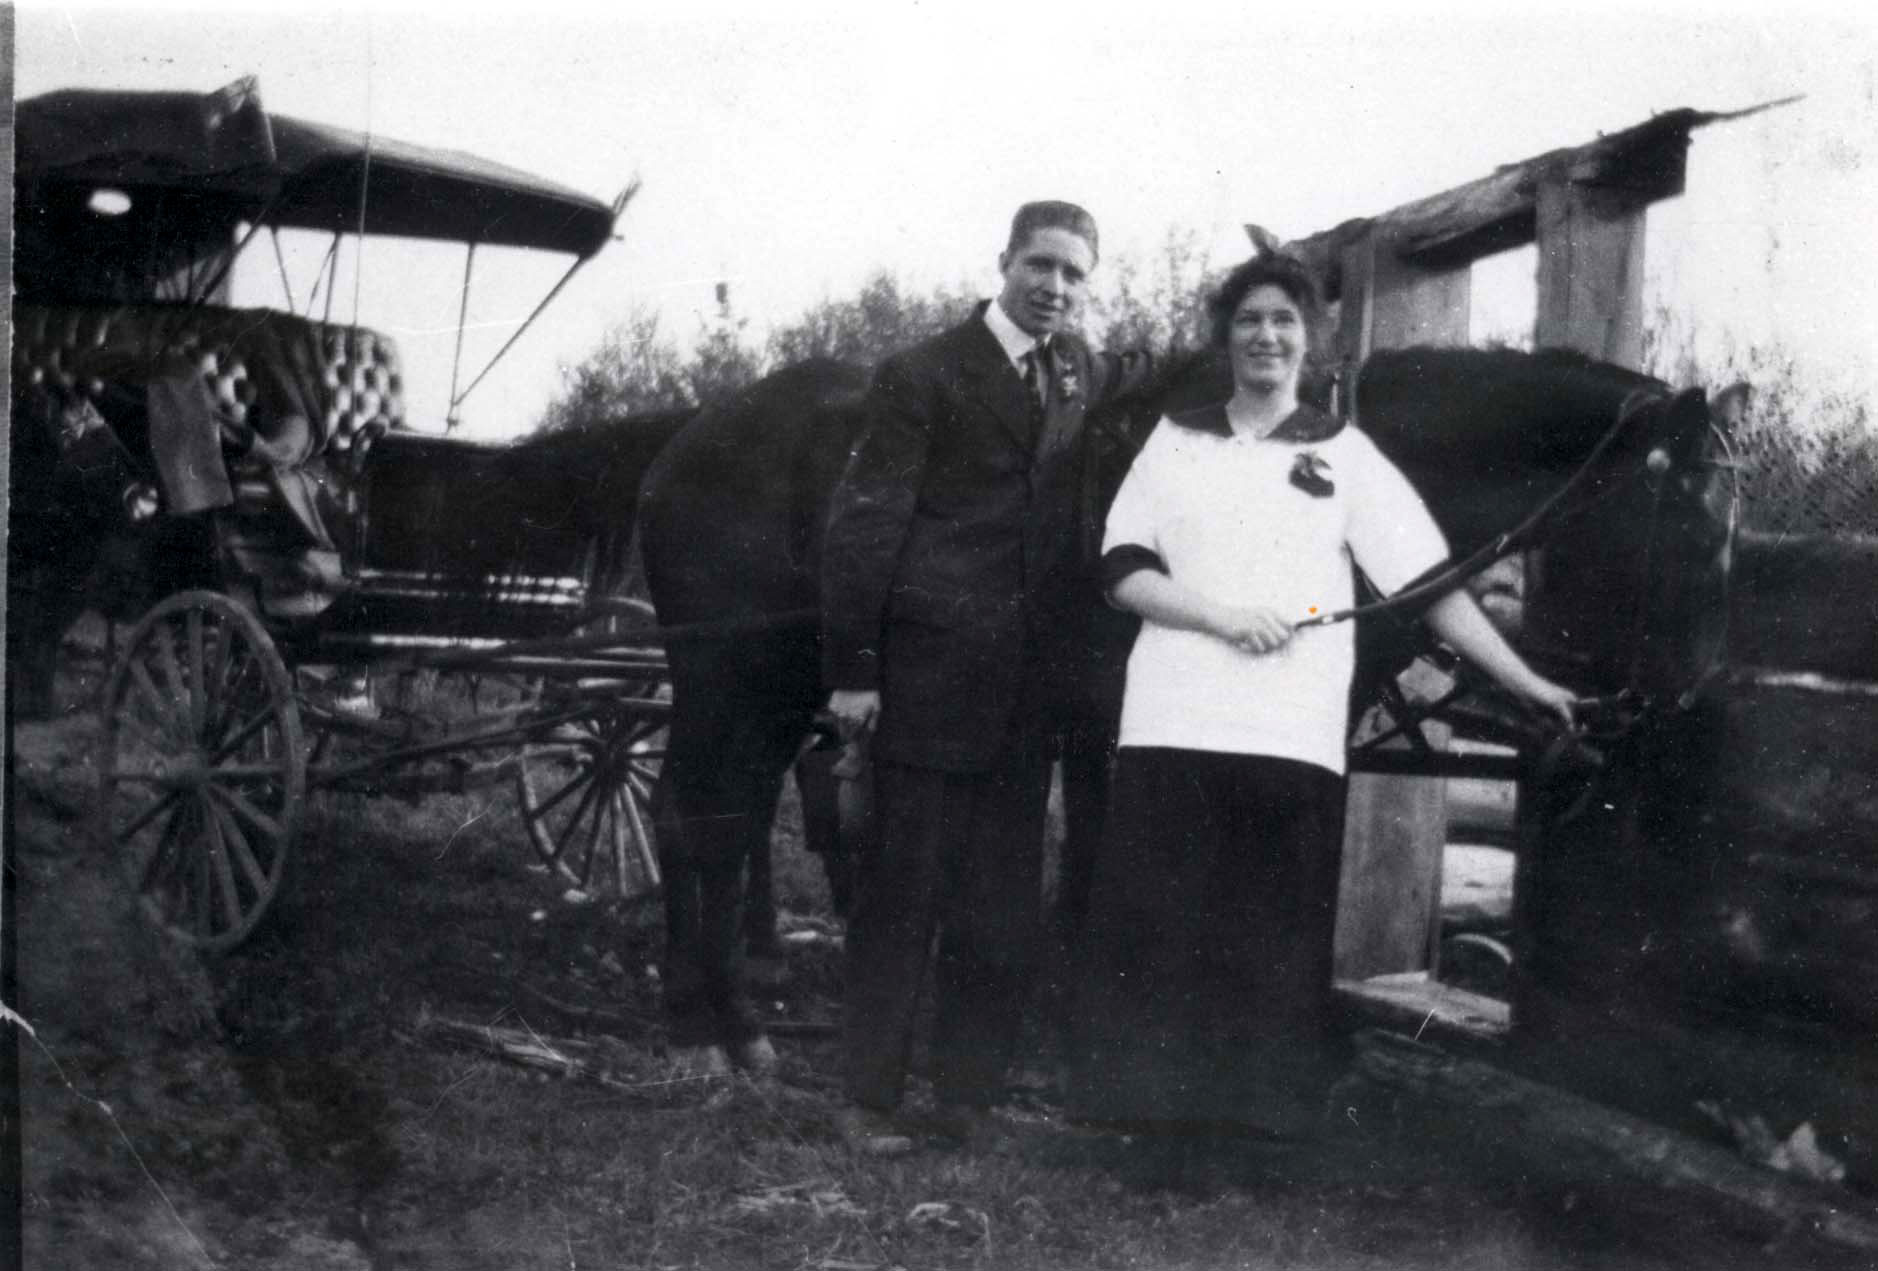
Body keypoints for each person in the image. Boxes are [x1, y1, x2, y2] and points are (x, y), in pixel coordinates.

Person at [1067, 251, 1576, 1141]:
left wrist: (1526, 679)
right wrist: (1224, 618)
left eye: (1284, 321)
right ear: (1226, 337)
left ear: (1310, 340)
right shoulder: (1174, 438)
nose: (1266, 336)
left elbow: (1431, 586)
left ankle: (1253, 1126)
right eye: (1249, 320)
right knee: (1163, 924)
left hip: (1290, 734)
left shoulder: (1346, 454)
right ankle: (1145, 1119)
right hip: (1173, 720)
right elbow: (1122, 571)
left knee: (1269, 931)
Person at [821, 200, 1153, 1153]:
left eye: (1075, 273)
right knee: (902, 895)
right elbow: (866, 524)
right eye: (1040, 265)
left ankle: (968, 1097)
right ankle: (866, 1100)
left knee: (1000, 907)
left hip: (1028, 692)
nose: (1055, 286)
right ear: (1004, 260)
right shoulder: (924, 373)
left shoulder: (1078, 370)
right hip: (929, 677)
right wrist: (856, 669)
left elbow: (1142, 377)